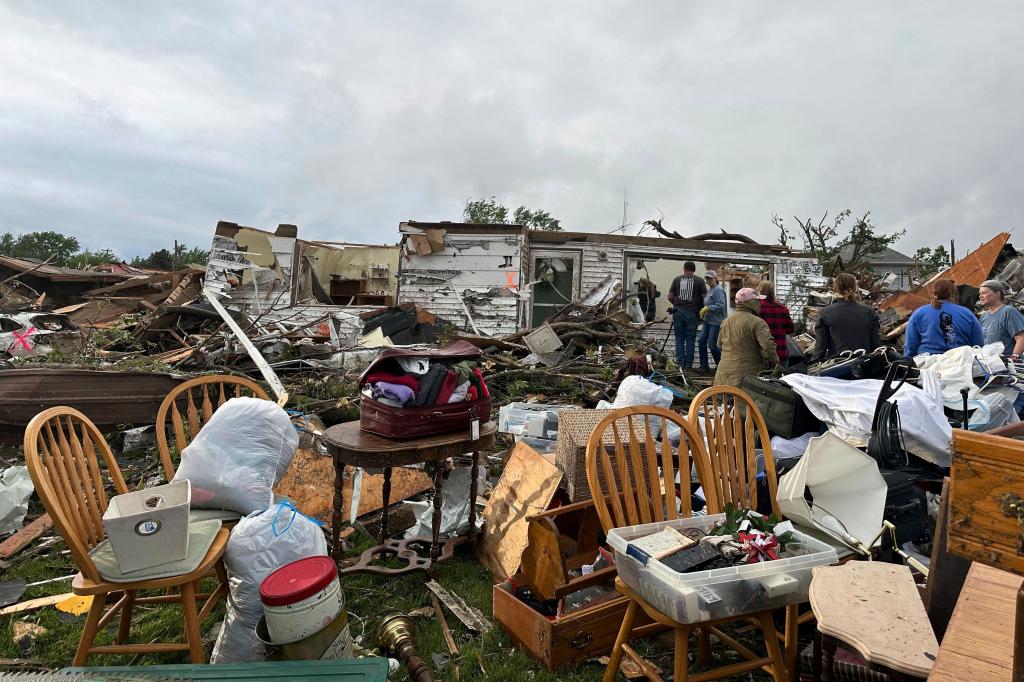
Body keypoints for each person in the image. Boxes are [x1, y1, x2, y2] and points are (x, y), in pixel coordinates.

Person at [714, 287, 779, 387]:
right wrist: (773, 364)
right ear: (751, 302)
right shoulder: (757, 322)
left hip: (723, 377)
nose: (760, 303)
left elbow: (719, 346)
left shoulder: (726, 321)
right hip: (747, 379)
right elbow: (769, 348)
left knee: (725, 402)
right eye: (758, 300)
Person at [811, 273, 882, 362]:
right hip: (864, 365)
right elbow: (876, 344)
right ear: (855, 288)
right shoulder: (868, 311)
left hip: (837, 365)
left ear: (834, 288)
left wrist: (813, 364)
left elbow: (821, 346)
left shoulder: (826, 312)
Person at [904, 279, 984, 357]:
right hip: (959, 364)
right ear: (953, 293)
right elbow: (978, 344)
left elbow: (910, 344)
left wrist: (908, 361)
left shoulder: (919, 313)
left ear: (933, 293)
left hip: (927, 365)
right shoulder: (967, 313)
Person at [668, 261, 707, 370]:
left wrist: (676, 305)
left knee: (679, 338)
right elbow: (705, 298)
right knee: (690, 339)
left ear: (684, 269)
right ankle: (688, 365)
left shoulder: (677, 279)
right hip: (693, 314)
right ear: (694, 270)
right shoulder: (700, 281)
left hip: (678, 312)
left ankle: (680, 364)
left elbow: (670, 296)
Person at [978, 279, 1024, 357]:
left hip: (1007, 366)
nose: (980, 296)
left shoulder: (1008, 312)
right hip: (990, 365)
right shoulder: (984, 316)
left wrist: (1014, 357)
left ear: (997, 294)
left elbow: (1021, 337)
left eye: (984, 293)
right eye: (980, 293)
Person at [756, 280, 795, 365]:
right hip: (781, 352)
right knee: (782, 378)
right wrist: (779, 330)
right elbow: (791, 329)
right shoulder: (782, 309)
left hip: (762, 355)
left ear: (759, 290)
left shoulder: (757, 309)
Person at [698, 270, 727, 371]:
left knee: (712, 343)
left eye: (711, 278)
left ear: (715, 278)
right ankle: (704, 366)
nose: (709, 280)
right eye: (707, 278)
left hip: (716, 322)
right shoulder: (710, 290)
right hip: (708, 321)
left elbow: (720, 306)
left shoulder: (718, 290)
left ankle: (720, 366)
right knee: (701, 340)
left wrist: (707, 308)